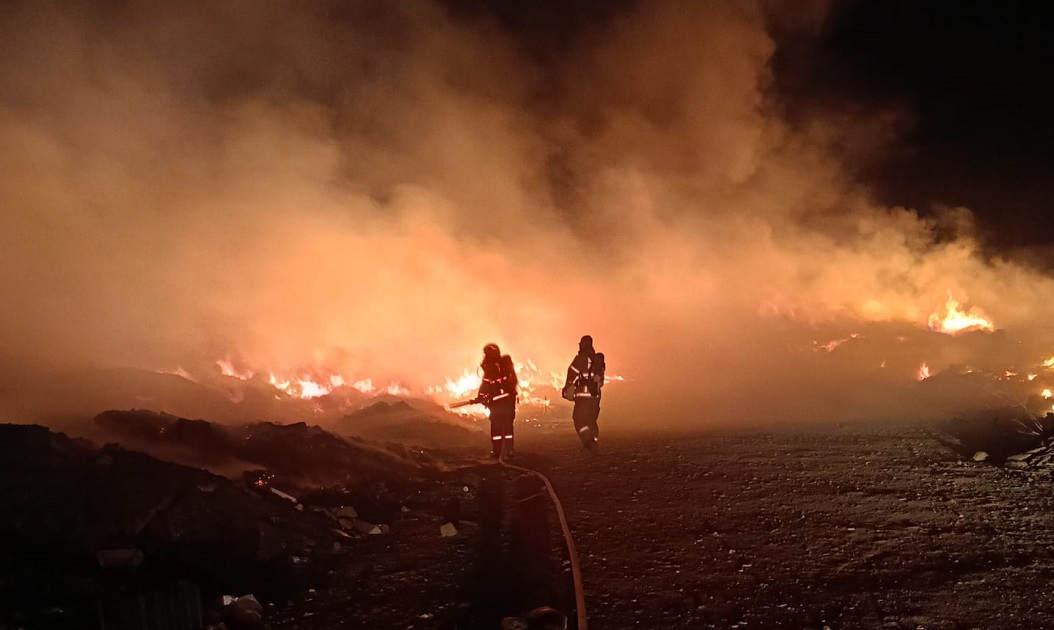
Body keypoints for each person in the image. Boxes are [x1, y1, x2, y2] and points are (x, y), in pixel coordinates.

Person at [474, 343, 518, 459]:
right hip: (509, 401)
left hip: (497, 404)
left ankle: (497, 451)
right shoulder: (505, 365)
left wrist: (481, 396)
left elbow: (486, 384)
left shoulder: (490, 367)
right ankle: (510, 451)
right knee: (508, 427)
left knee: (496, 429)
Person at [562, 335, 605, 451]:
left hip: (583, 396)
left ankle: (589, 441)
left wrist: (567, 387)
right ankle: (595, 441)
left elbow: (571, 372)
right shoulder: (597, 360)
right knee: (591, 420)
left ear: (583, 344)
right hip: (595, 395)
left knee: (579, 419)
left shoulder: (581, 358)